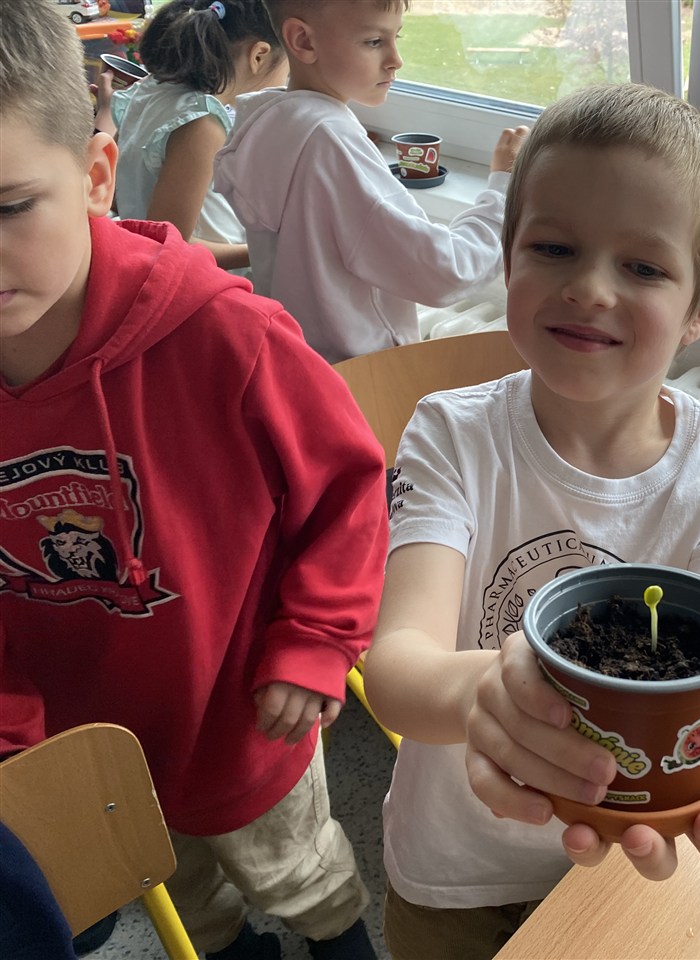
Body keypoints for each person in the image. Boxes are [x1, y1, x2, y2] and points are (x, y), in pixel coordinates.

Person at [0, 3, 389, 959]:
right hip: (94, 750)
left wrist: (316, 639)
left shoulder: (230, 339)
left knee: (307, 883)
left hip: (243, 715)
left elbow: (349, 493)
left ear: (96, 176)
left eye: (9, 207)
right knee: (192, 906)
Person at [362, 83, 700, 960]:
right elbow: (397, 672)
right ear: (507, 261)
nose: (589, 288)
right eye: (553, 248)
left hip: (617, 875)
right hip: (451, 873)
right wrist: (490, 693)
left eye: (644, 268)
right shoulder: (451, 434)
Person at [212, 0, 528, 363]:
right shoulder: (331, 142)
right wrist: (504, 188)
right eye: (374, 41)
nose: (396, 60)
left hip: (299, 360)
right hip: (362, 374)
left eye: (396, 37)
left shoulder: (272, 123)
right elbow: (446, 272)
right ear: (303, 41)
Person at [95, 0, 288, 272]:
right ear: (259, 56)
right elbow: (171, 246)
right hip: (206, 282)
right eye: (288, 68)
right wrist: (267, 250)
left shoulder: (151, 89)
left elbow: (122, 191)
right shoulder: (202, 122)